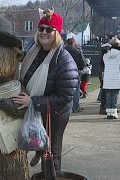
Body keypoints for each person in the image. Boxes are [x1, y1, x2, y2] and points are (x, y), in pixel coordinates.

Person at [12, 9, 79, 172]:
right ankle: (38, 149)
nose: (44, 32)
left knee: (51, 154)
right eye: (41, 28)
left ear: (57, 33)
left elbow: (64, 97)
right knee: (40, 145)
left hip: (54, 114)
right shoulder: (34, 52)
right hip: (37, 109)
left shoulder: (65, 61)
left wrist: (33, 101)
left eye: (49, 29)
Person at [100, 37, 120, 119]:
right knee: (115, 95)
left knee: (108, 95)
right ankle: (114, 112)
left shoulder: (105, 53)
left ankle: (109, 113)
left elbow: (101, 64)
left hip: (107, 76)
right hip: (116, 76)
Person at [65, 38, 86, 113]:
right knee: (76, 90)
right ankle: (75, 107)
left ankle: (66, 107)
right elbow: (82, 62)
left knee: (65, 90)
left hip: (64, 72)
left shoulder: (63, 50)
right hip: (75, 72)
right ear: (74, 43)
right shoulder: (77, 51)